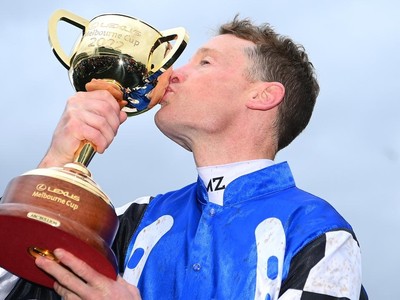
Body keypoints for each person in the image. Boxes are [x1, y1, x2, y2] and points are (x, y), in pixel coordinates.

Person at [0, 16, 368, 299]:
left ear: (263, 96)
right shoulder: (132, 219)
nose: (171, 73)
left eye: (205, 63)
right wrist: (57, 164)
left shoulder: (319, 233)